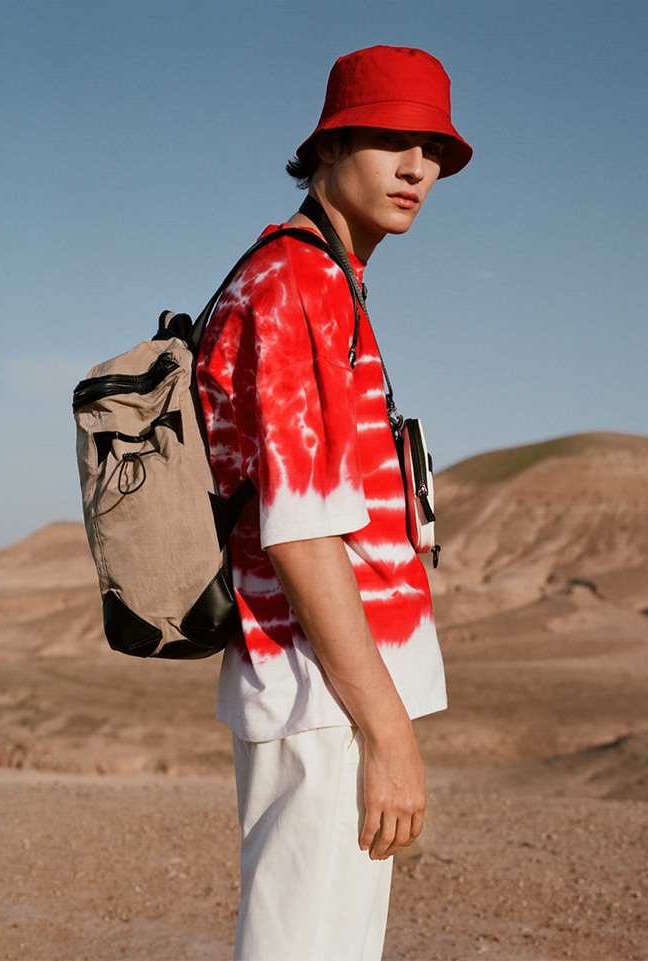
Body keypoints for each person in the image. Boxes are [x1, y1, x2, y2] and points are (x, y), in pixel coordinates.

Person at [196, 44, 472, 961]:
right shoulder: (295, 284)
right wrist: (387, 731)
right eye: (391, 139)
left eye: (432, 147)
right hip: (324, 696)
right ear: (327, 148)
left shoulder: (329, 281)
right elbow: (303, 532)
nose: (417, 167)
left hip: (333, 692)